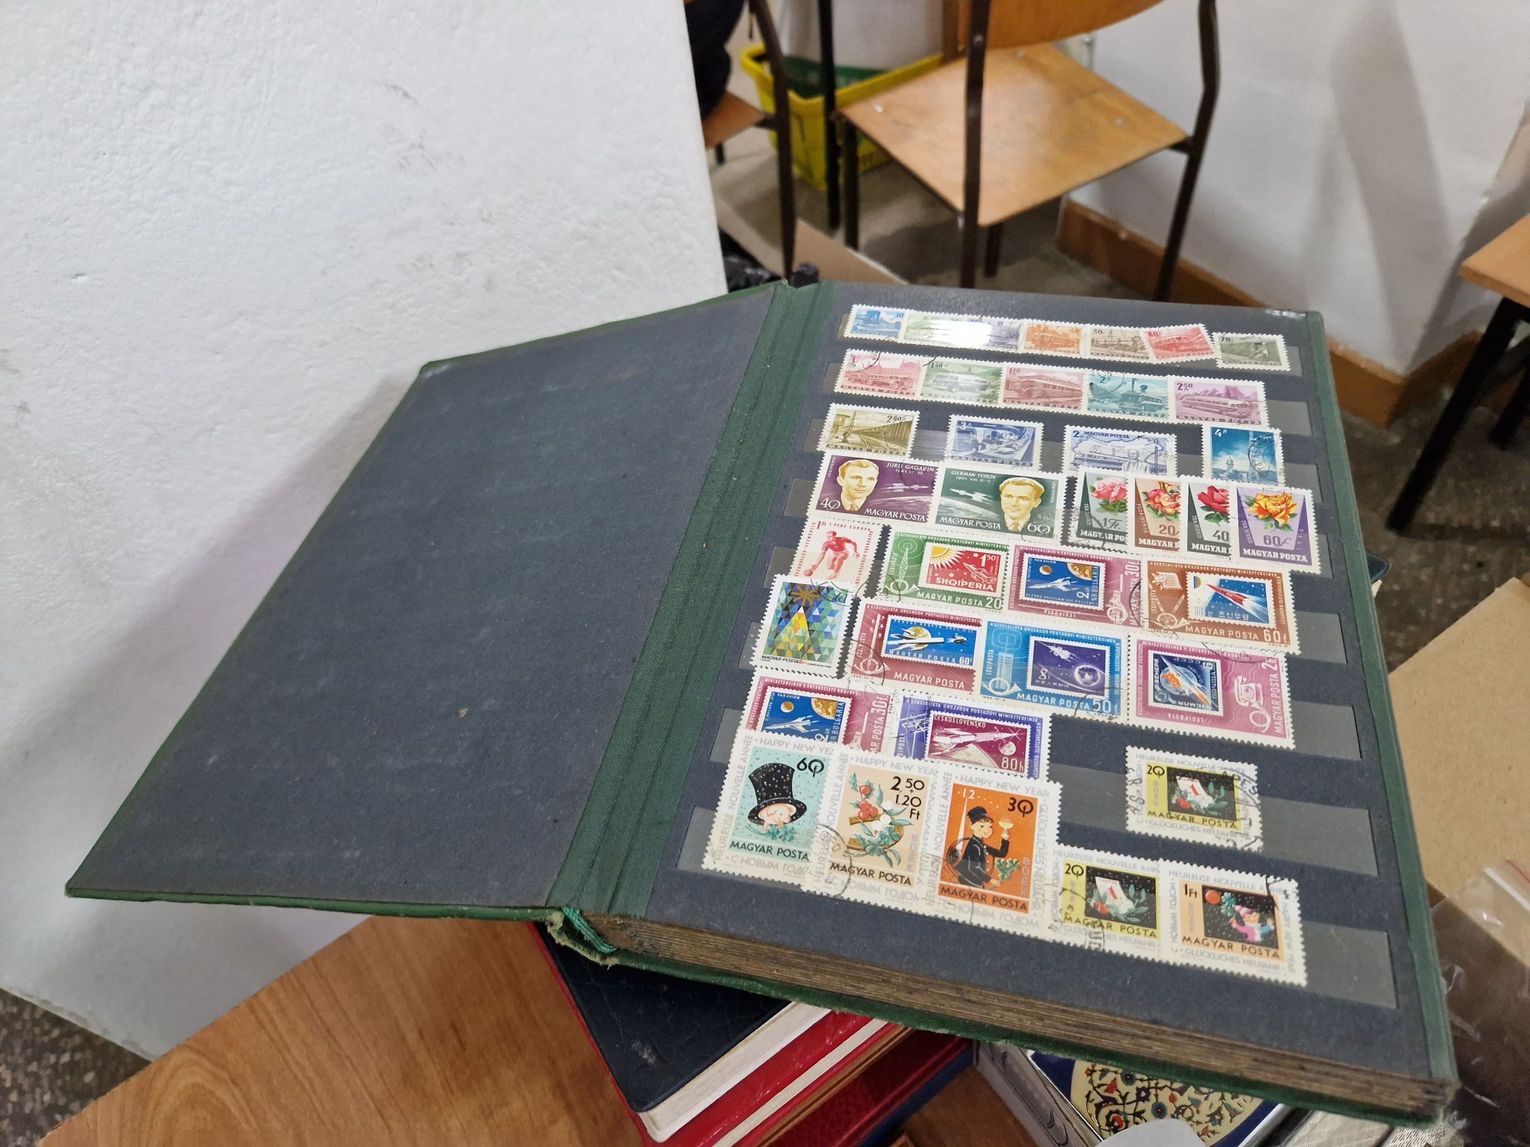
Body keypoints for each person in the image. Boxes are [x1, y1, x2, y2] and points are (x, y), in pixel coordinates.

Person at [948, 807, 1014, 887]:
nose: (987, 830)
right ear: (972, 826)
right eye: (982, 826)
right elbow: (974, 868)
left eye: (990, 826)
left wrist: (1005, 840)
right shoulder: (974, 846)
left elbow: (1001, 854)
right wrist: (990, 880)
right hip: (969, 883)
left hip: (976, 883)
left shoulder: (981, 845)